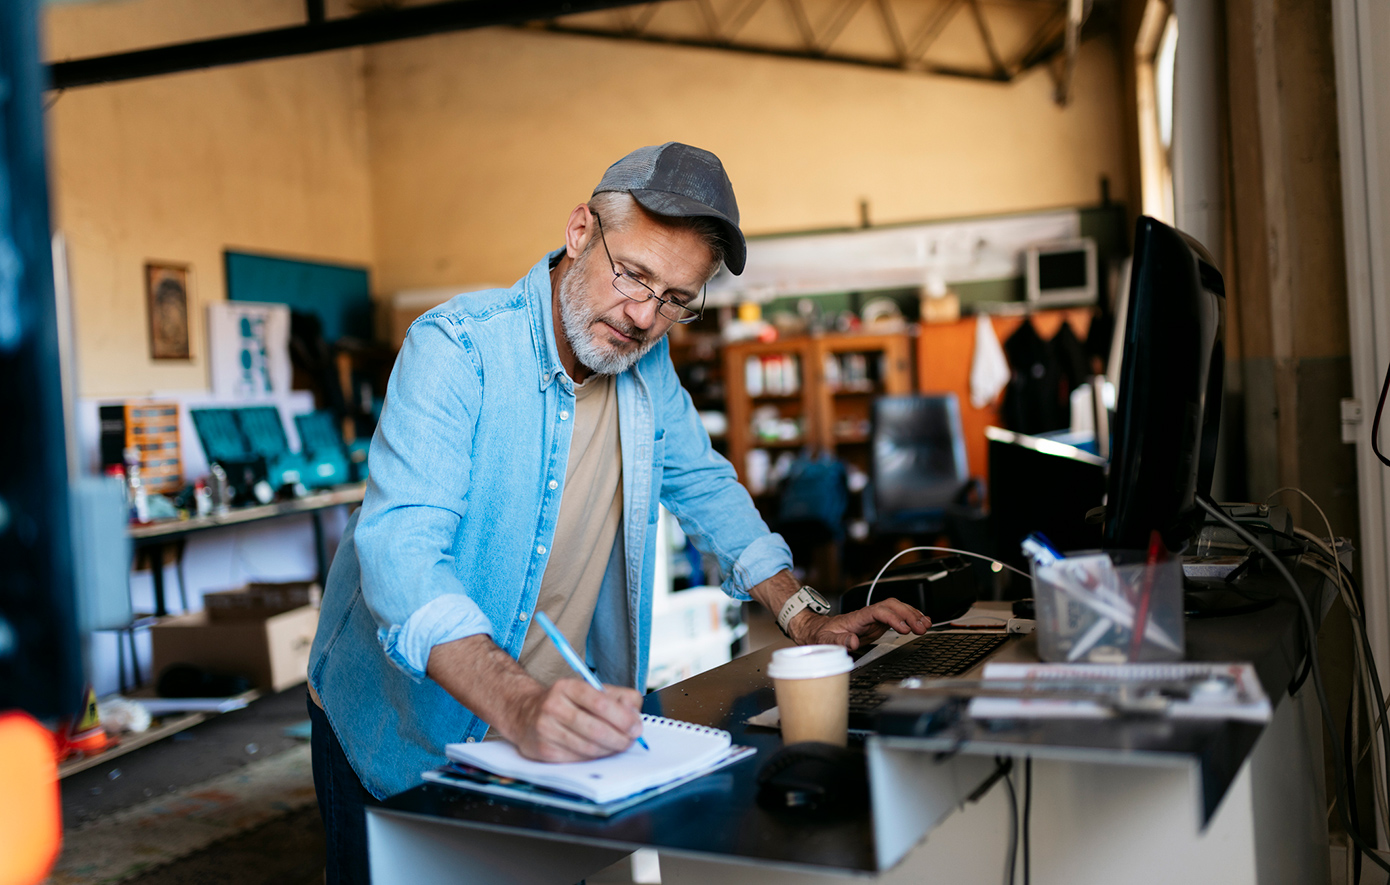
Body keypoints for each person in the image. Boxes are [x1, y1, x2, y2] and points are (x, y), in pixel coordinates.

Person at [306, 143, 931, 882]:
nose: (643, 317)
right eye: (633, 275)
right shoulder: (457, 349)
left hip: (545, 731)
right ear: (579, 232)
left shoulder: (645, 366)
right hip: (401, 727)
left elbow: (705, 485)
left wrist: (802, 613)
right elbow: (401, 555)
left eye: (676, 300)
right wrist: (520, 703)